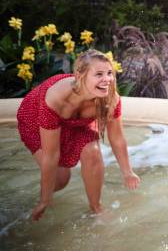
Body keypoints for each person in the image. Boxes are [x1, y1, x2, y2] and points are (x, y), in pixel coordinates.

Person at [16, 49, 140, 221]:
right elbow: (51, 155)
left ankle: (96, 207)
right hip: (35, 118)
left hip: (77, 123)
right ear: (80, 75)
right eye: (99, 74)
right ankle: (39, 200)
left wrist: (127, 172)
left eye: (109, 73)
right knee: (60, 180)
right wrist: (45, 200)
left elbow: (117, 138)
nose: (107, 80)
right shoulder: (56, 98)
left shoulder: (109, 98)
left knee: (93, 151)